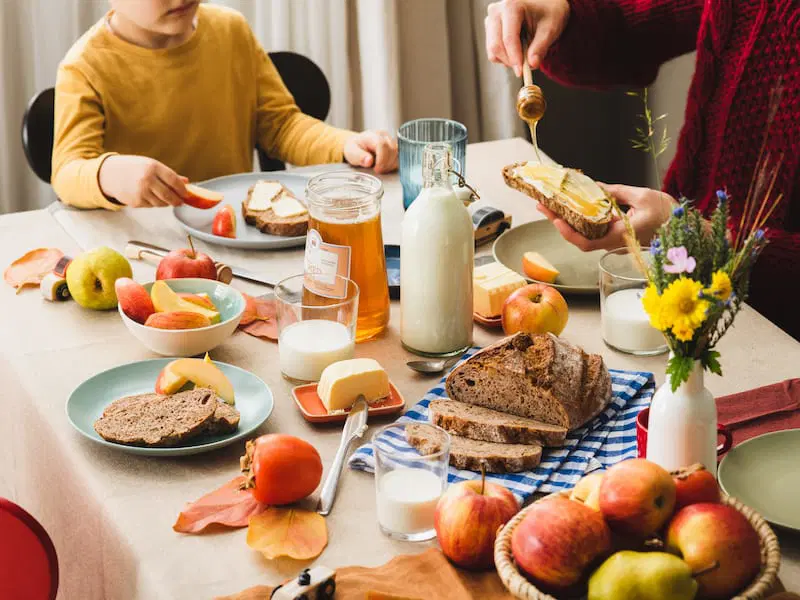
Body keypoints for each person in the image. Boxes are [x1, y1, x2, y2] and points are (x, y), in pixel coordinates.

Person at [485, 0, 800, 340]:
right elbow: (631, 27)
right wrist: (561, 18)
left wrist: (703, 238)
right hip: (681, 292)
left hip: (771, 329)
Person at [52, 0, 398, 211]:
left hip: (233, 232)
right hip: (143, 249)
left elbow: (280, 125)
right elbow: (67, 172)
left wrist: (345, 144)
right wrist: (107, 174)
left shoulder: (231, 31)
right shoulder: (84, 67)